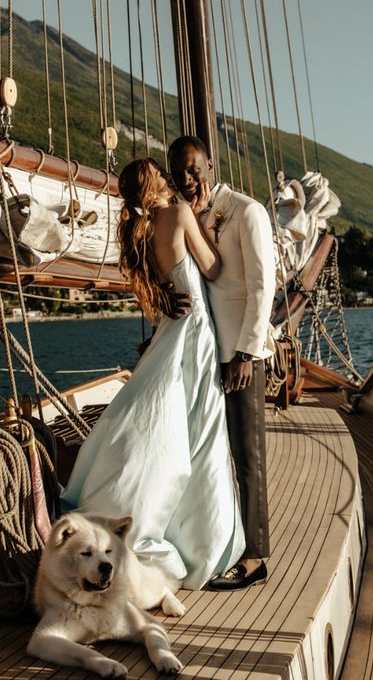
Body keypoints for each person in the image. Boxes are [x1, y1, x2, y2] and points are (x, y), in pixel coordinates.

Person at [59, 157, 245, 590]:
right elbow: (214, 267)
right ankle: (207, 548)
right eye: (162, 175)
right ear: (154, 186)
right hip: (196, 330)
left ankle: (177, 527)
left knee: (175, 427)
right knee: (204, 435)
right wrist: (211, 228)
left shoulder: (142, 232)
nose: (169, 178)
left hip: (171, 328)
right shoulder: (178, 214)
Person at [168, 136, 275, 590]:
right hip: (207, 354)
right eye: (179, 173)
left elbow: (262, 289)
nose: (188, 180)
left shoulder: (247, 212)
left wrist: (247, 354)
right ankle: (222, 545)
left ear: (210, 165)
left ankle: (255, 558)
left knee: (248, 460)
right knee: (215, 458)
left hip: (241, 357)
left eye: (194, 170)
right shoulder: (189, 217)